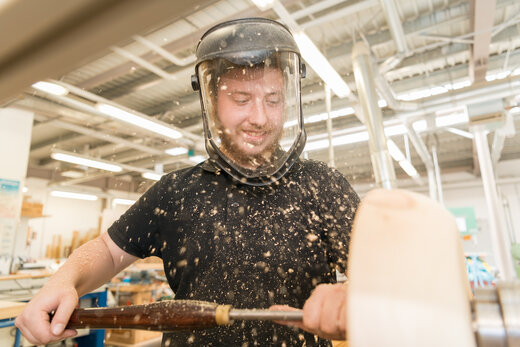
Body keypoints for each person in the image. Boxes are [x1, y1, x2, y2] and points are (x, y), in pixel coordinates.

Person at [15, 17, 359, 346]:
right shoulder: (176, 191)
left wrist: (354, 298)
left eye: (273, 100)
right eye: (241, 99)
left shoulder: (323, 186)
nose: (260, 117)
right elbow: (106, 250)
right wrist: (63, 280)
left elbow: (384, 279)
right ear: (211, 100)